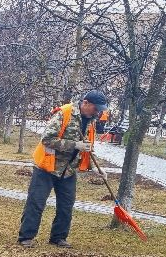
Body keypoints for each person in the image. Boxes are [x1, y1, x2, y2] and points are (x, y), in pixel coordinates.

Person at [17, 90, 108, 248]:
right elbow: (47, 139)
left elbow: (87, 147)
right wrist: (74, 145)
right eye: (95, 108)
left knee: (66, 205)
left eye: (99, 109)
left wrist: (95, 167)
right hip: (47, 167)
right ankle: (26, 236)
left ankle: (58, 237)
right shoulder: (64, 113)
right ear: (85, 103)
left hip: (68, 170)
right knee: (36, 202)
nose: (97, 112)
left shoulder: (91, 120)